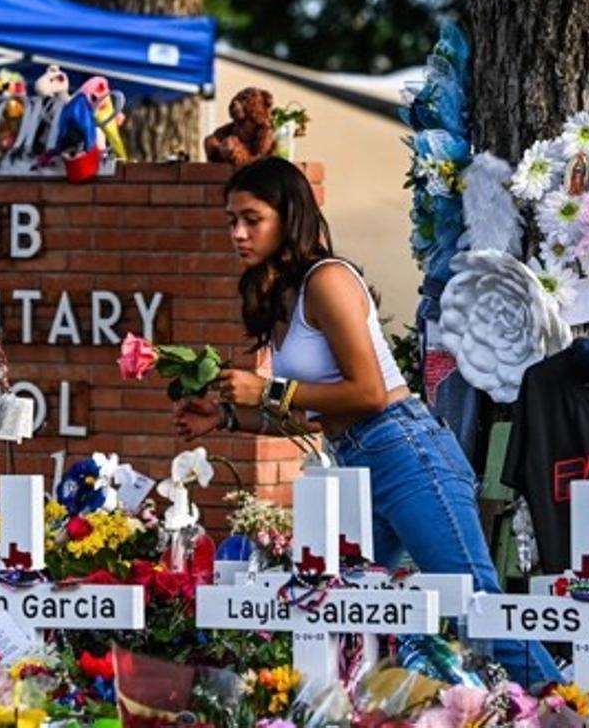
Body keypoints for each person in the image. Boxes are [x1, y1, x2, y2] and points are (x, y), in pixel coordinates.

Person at [173, 156, 560, 687]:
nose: (237, 233)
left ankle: (567, 711)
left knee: (476, 609)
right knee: (332, 607)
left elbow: (370, 394)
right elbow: (316, 416)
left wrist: (269, 389)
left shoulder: (327, 280)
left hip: (405, 453)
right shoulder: (281, 298)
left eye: (251, 218)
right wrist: (227, 417)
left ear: (288, 216)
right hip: (356, 462)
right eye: (231, 221)